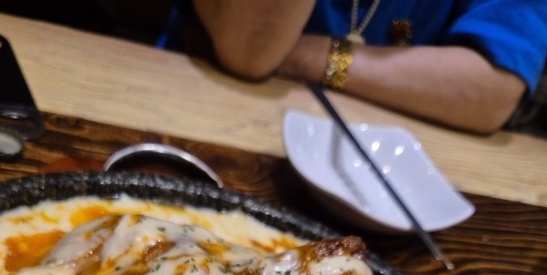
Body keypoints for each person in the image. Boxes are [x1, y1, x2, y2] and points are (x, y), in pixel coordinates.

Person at [189, 0, 547, 135]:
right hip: (205, 117)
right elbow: (251, 50)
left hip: (381, 166)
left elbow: (494, 92)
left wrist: (312, 57)